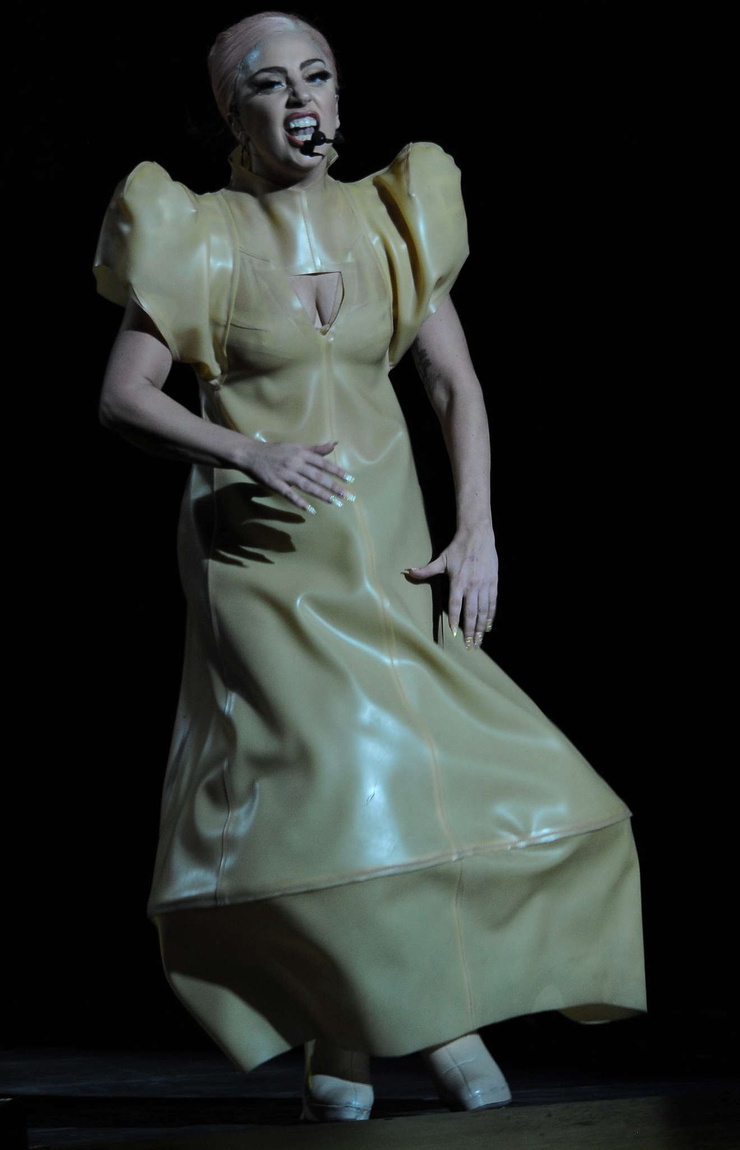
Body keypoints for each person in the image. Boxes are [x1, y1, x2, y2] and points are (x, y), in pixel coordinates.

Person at [94, 11, 646, 1123]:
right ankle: (442, 1029)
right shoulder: (199, 234)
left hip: (389, 543)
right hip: (263, 554)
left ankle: (343, 1036)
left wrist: (477, 529)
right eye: (269, 85)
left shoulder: (392, 220)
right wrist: (247, 450)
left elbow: (453, 384)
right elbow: (123, 398)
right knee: (332, 786)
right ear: (233, 115)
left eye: (318, 76)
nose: (301, 99)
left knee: (441, 776)